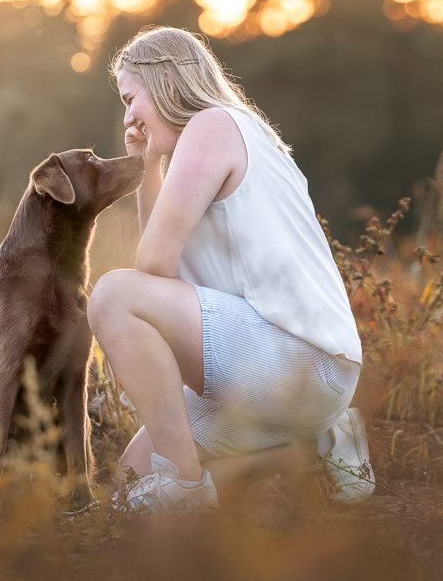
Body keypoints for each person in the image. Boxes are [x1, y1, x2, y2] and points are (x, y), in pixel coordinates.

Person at [87, 26, 373, 514]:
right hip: (297, 372)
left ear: (166, 81)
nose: (128, 116)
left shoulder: (212, 125)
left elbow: (153, 268)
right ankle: (319, 446)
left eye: (130, 98)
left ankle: (184, 489)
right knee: (131, 478)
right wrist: (148, 164)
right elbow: (162, 269)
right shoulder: (232, 134)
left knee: (114, 295)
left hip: (297, 358)